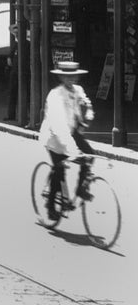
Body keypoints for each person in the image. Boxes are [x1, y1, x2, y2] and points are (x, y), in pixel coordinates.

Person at [38, 57, 96, 214]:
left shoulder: (78, 90)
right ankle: (50, 205)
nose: (71, 79)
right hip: (55, 137)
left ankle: (80, 189)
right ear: (61, 77)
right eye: (68, 77)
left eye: (74, 76)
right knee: (59, 169)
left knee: (89, 155)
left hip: (71, 132)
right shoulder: (55, 95)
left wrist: (87, 117)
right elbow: (59, 127)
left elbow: (87, 104)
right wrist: (73, 151)